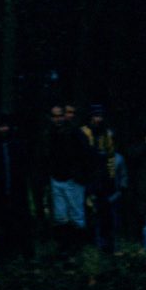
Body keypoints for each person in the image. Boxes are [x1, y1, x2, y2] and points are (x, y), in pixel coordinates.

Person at [0, 114, 36, 259]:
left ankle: (26, 251)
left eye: (6, 126)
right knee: (2, 220)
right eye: (1, 126)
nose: (4, 129)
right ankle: (5, 252)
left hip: (17, 188)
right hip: (0, 189)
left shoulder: (17, 142)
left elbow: (24, 164)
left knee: (21, 220)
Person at [46, 105, 94, 250]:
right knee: (60, 216)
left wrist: (81, 175)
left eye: (60, 115)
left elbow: (87, 154)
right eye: (55, 116)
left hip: (73, 180)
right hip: (56, 179)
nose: (58, 119)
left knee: (76, 215)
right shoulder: (49, 133)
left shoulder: (75, 132)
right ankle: (65, 247)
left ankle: (78, 248)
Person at [82, 105, 123, 253]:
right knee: (91, 213)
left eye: (100, 116)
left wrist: (111, 177)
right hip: (89, 178)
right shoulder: (84, 132)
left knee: (106, 214)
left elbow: (111, 156)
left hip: (104, 180)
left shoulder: (106, 134)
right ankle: (93, 245)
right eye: (95, 116)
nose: (98, 119)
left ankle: (108, 246)